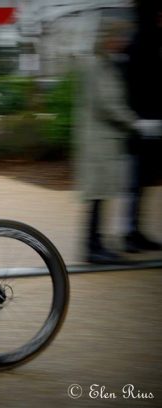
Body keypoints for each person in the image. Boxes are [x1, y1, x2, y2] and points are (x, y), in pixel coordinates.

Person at [74, 12, 160, 264]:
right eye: (116, 36)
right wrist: (137, 123)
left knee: (100, 196)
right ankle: (93, 248)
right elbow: (107, 104)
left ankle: (96, 244)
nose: (121, 41)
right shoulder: (96, 65)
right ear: (105, 38)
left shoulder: (105, 64)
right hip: (98, 143)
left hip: (104, 143)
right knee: (98, 197)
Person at [123, 1, 162, 253]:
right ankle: (131, 232)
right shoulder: (145, 41)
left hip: (144, 121)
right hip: (144, 122)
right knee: (136, 182)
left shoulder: (141, 40)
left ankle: (133, 230)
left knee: (139, 182)